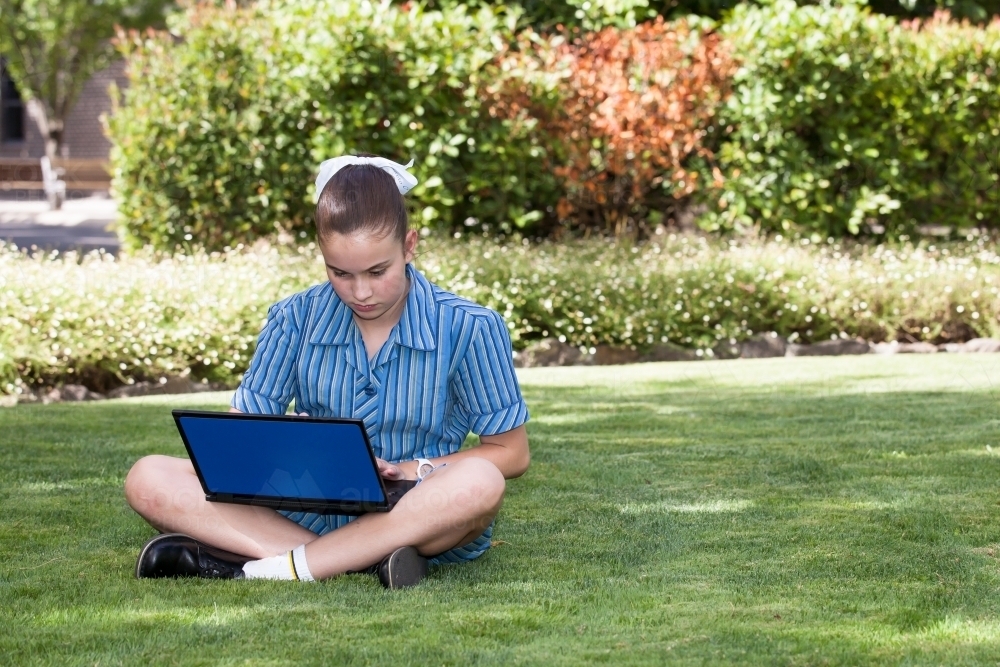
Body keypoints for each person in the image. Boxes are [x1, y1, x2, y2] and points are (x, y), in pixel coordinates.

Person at [124, 154, 530, 588]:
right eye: (341, 273)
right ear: (322, 255)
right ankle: (363, 562)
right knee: (148, 477)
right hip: (305, 508)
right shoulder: (293, 318)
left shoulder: (471, 326)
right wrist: (285, 446)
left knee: (481, 482)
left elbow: (511, 452)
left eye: (378, 271)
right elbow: (240, 435)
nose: (361, 292)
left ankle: (265, 565)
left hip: (418, 510)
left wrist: (406, 468)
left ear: (409, 245)